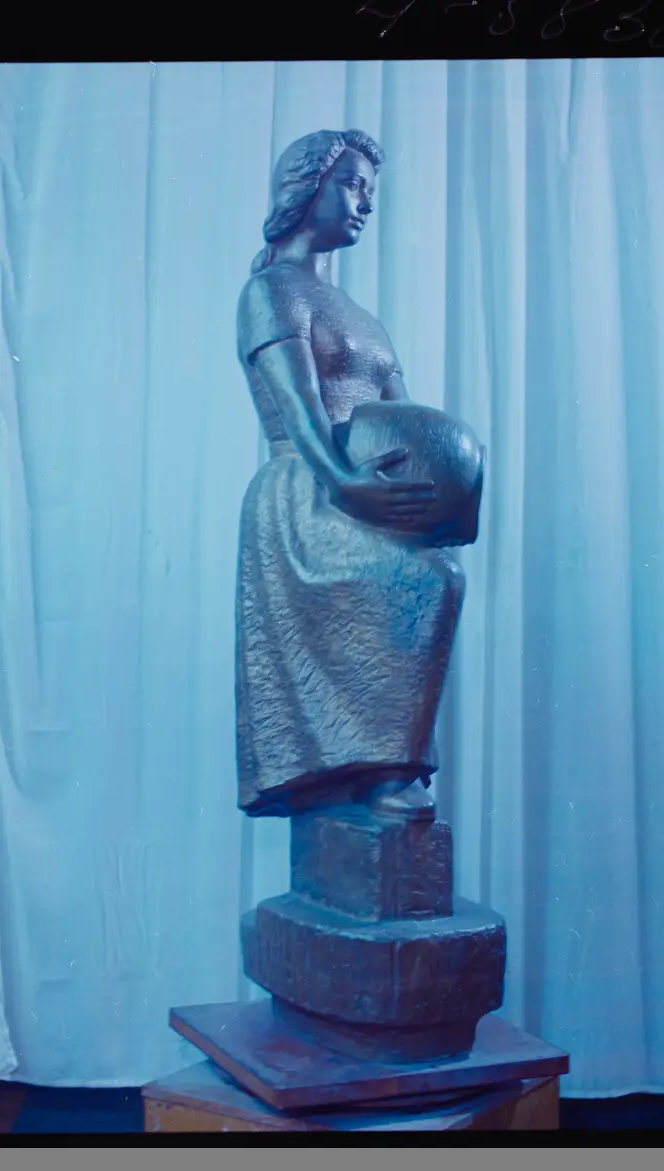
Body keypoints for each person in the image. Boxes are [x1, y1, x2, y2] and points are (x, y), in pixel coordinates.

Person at [235, 129, 469, 821]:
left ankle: (387, 767)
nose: (365, 202)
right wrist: (344, 483)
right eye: (353, 185)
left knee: (439, 574)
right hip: (306, 493)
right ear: (307, 187)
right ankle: (382, 769)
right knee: (430, 584)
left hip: (363, 490)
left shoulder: (361, 318)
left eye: (371, 191)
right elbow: (299, 408)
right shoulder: (271, 291)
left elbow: (404, 415)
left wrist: (442, 494)